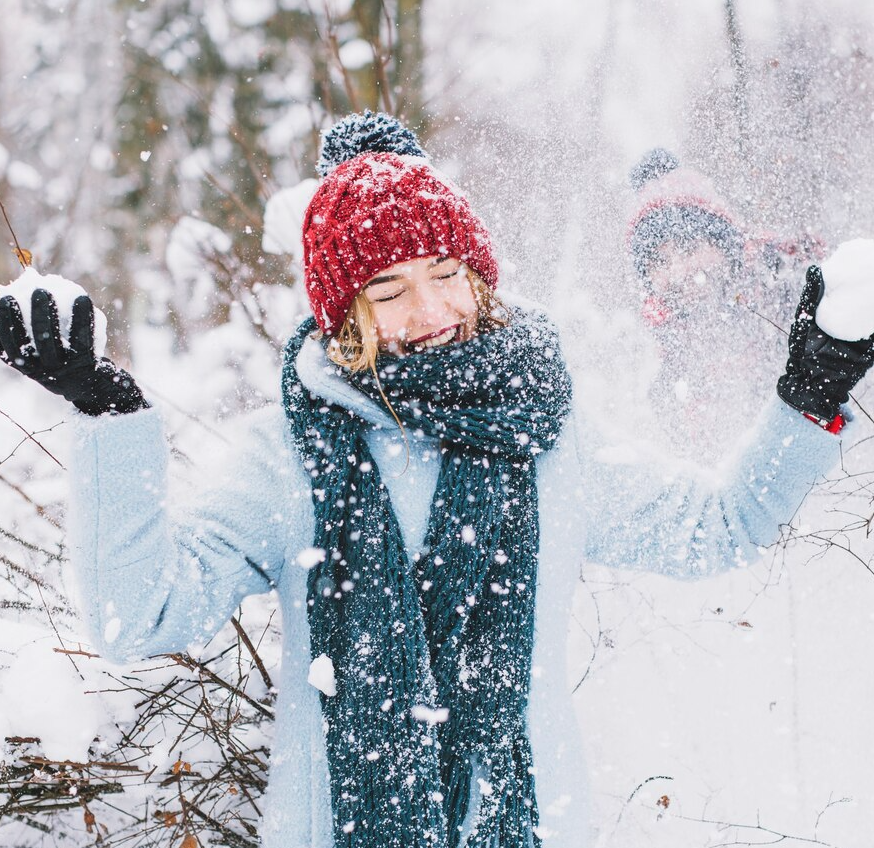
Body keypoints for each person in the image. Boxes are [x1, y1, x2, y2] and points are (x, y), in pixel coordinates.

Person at [0, 111, 871, 848]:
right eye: (387, 291)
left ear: (479, 279)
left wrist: (809, 395)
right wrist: (111, 418)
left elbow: (722, 526)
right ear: (342, 313)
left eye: (448, 276)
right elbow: (139, 616)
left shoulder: (547, 437)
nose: (431, 314)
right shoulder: (288, 457)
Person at [625, 147, 826, 462]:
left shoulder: (790, 289)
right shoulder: (666, 346)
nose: (677, 272)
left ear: (725, 246)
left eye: (689, 248)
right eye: (660, 261)